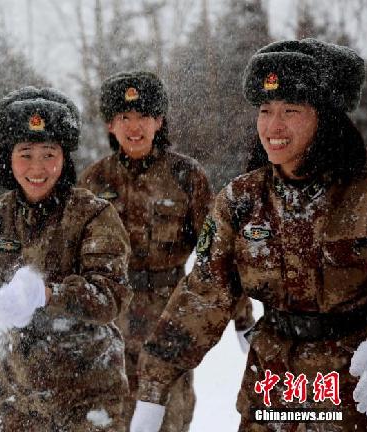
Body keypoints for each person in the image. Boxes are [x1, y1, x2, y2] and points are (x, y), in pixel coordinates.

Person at [129, 39, 367, 432]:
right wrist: (153, 388)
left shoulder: (366, 199)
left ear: (325, 119)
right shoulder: (242, 201)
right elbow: (202, 296)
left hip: (350, 393)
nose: (273, 127)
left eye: (290, 111)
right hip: (273, 389)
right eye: (265, 110)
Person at [79, 70, 255, 431]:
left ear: (159, 120)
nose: (134, 127)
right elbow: (74, 256)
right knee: (109, 416)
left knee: (170, 416)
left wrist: (243, 319)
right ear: (110, 125)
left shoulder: (187, 177)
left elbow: (218, 252)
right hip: (112, 319)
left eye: (143, 115)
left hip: (170, 317)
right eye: (123, 118)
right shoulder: (94, 182)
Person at [0, 87, 132, 430]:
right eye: (25, 154)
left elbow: (110, 296)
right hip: (18, 395)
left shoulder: (94, 214)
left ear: (64, 158)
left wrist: (49, 294)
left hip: (91, 393)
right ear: (7, 159)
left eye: (49, 153)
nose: (37, 167)